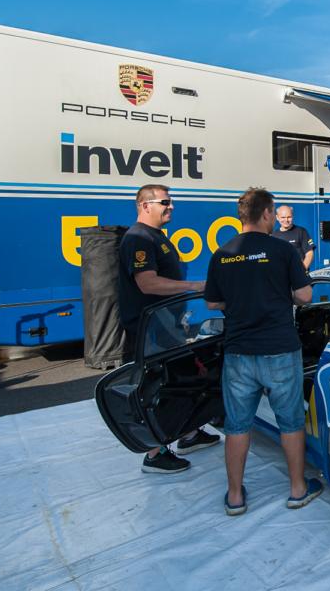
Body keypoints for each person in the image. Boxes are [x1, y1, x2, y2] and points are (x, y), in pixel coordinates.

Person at [204, 187, 320, 516]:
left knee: (237, 426)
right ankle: (297, 489)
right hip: (280, 349)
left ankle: (235, 496)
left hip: (239, 351)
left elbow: (212, 302)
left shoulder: (222, 253)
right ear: (267, 213)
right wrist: (278, 295)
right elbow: (306, 296)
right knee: (290, 422)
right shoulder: (282, 250)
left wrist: (242, 300)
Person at [118, 184, 217, 474]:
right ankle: (154, 453)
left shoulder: (156, 236)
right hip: (150, 328)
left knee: (182, 379)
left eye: (170, 202)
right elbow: (147, 283)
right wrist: (194, 287)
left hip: (166, 324)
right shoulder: (138, 238)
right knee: (155, 386)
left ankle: (188, 433)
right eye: (165, 202)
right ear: (145, 205)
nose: (171, 206)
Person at [271, 205, 315, 270]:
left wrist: (301, 271)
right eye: (283, 217)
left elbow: (309, 254)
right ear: (277, 217)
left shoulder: (301, 231)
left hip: (298, 273)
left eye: (289, 217)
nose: (286, 220)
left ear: (293, 216)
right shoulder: (274, 235)